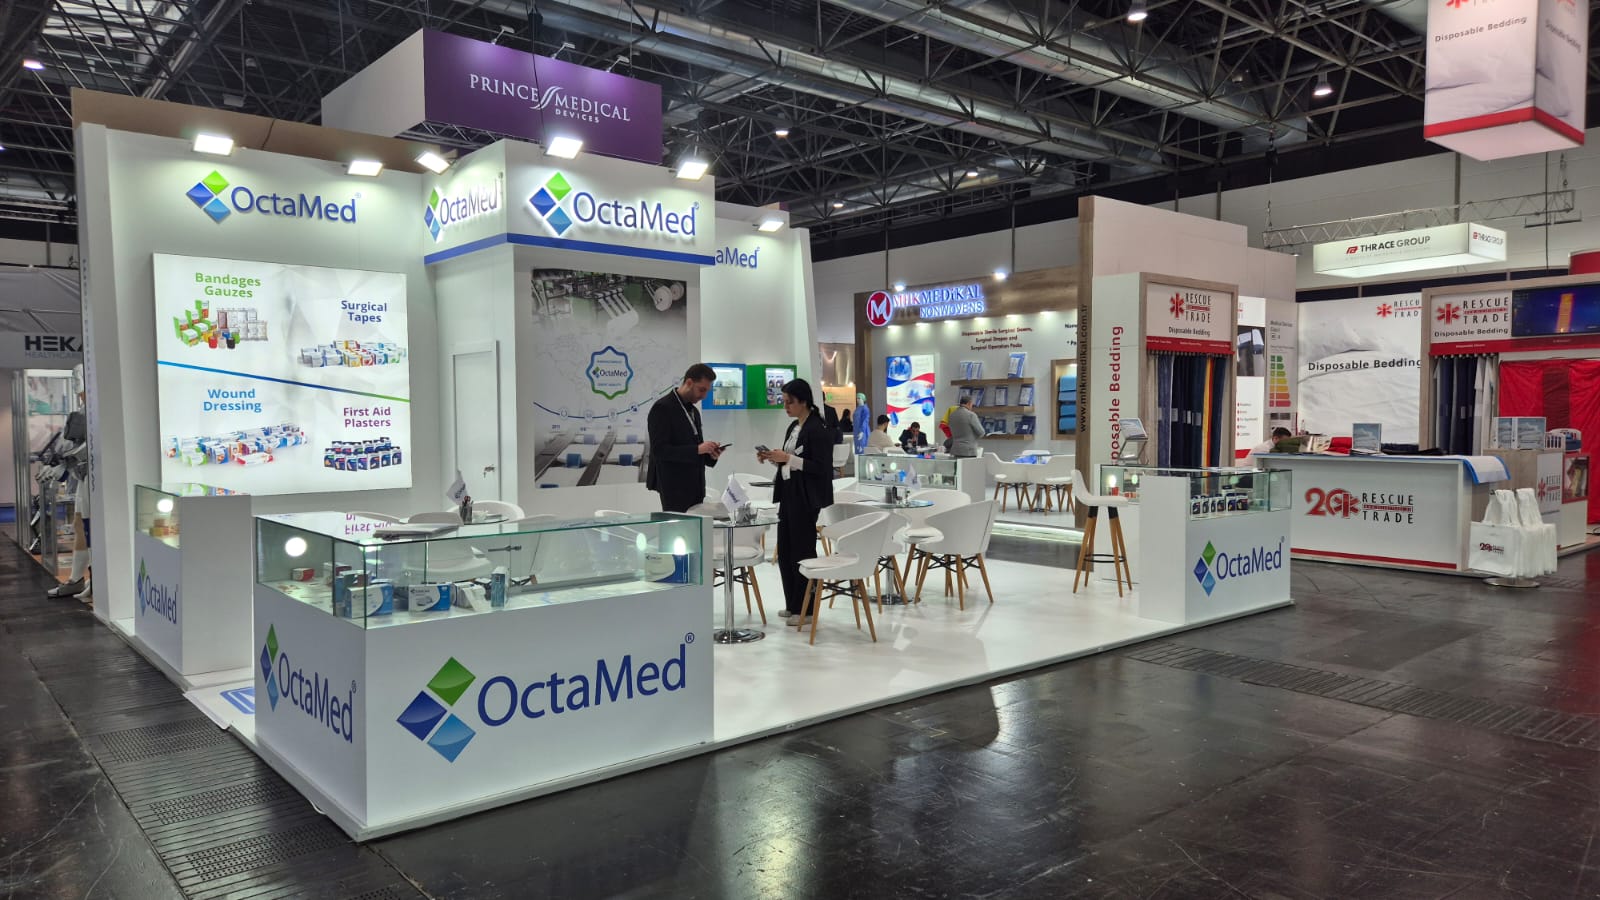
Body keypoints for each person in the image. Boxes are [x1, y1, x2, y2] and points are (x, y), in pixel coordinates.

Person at [757, 378, 834, 625]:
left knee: (802, 551)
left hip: (806, 496)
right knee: (786, 550)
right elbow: (790, 461)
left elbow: (820, 467)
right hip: (789, 492)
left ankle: (806, 609)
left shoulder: (818, 429)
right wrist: (773, 458)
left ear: (803, 401)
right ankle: (792, 604)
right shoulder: (794, 427)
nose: (786, 406)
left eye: (789, 402)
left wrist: (788, 459)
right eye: (784, 401)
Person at [646, 363, 723, 513]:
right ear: (689, 382)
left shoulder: (694, 411)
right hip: (674, 488)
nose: (704, 396)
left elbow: (695, 447)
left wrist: (711, 455)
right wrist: (697, 450)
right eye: (701, 390)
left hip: (696, 487)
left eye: (707, 391)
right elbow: (660, 450)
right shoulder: (662, 408)